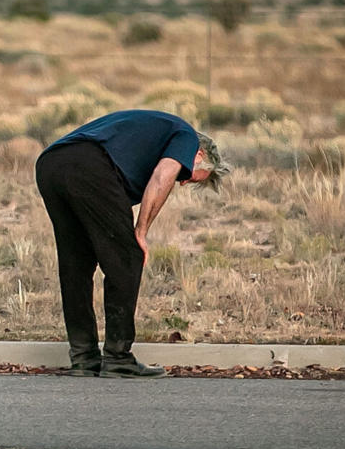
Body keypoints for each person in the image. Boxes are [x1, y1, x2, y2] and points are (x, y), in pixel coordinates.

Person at [35, 110, 229, 378]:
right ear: (199, 155)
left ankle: (84, 359)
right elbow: (163, 176)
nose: (183, 181)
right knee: (128, 258)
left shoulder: (153, 135)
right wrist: (141, 231)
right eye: (190, 176)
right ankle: (117, 358)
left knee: (76, 265)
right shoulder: (186, 136)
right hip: (88, 164)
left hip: (51, 164)